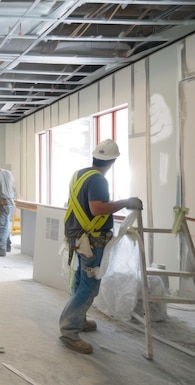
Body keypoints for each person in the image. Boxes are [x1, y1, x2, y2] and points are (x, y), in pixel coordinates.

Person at [59, 139, 143, 354]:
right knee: (89, 286)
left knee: (79, 281)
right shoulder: (98, 180)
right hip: (90, 239)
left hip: (77, 236)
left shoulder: (80, 174)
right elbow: (97, 209)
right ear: (113, 161)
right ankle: (69, 330)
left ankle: (80, 319)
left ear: (94, 157)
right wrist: (126, 202)